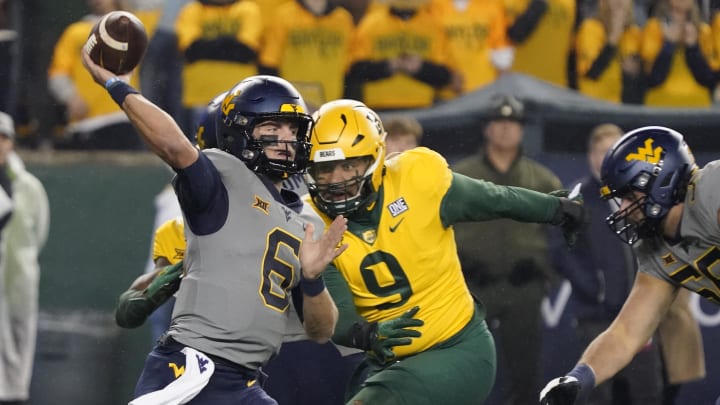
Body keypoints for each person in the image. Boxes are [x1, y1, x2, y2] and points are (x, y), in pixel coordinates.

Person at [82, 42, 349, 402]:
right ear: (241, 131)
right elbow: (175, 147)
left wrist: (313, 281)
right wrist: (119, 87)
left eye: (292, 128)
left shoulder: (304, 221)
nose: (286, 139)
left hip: (244, 381)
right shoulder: (225, 181)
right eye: (272, 126)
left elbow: (322, 330)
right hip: (192, 367)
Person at [302, 99, 587, 404]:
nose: (336, 180)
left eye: (348, 165)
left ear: (374, 157)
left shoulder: (417, 176)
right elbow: (335, 315)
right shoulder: (311, 221)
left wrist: (553, 209)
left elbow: (494, 198)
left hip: (455, 348)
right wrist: (365, 334)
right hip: (386, 362)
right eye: (325, 169)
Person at [539, 126, 717, 405]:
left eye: (628, 196)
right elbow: (626, 333)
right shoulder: (655, 247)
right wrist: (580, 378)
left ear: (662, 182)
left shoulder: (712, 190)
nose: (622, 209)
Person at [451, 94, 564, 405]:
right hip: (471, 287)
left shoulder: (542, 178)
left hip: (523, 286)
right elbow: (438, 228)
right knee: (465, 369)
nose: (504, 129)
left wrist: (544, 272)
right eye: (498, 122)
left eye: (512, 123)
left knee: (525, 372)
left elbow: (563, 235)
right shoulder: (459, 175)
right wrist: (459, 267)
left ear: (522, 130)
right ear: (486, 128)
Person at [556, 123, 665, 404]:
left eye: (616, 150)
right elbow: (562, 251)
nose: (608, 157)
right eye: (602, 151)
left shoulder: (643, 195)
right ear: (591, 156)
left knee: (648, 392)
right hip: (595, 316)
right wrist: (597, 290)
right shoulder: (577, 197)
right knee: (596, 394)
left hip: (639, 314)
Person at [0, 111, 50, 404]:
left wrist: (22, 264)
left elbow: (39, 232)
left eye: (3, 138)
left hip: (18, 281)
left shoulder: (29, 188)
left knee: (17, 353)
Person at [47, 0, 143, 150]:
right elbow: (58, 73)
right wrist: (70, 96)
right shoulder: (75, 32)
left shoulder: (134, 26)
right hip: (87, 124)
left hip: (124, 119)